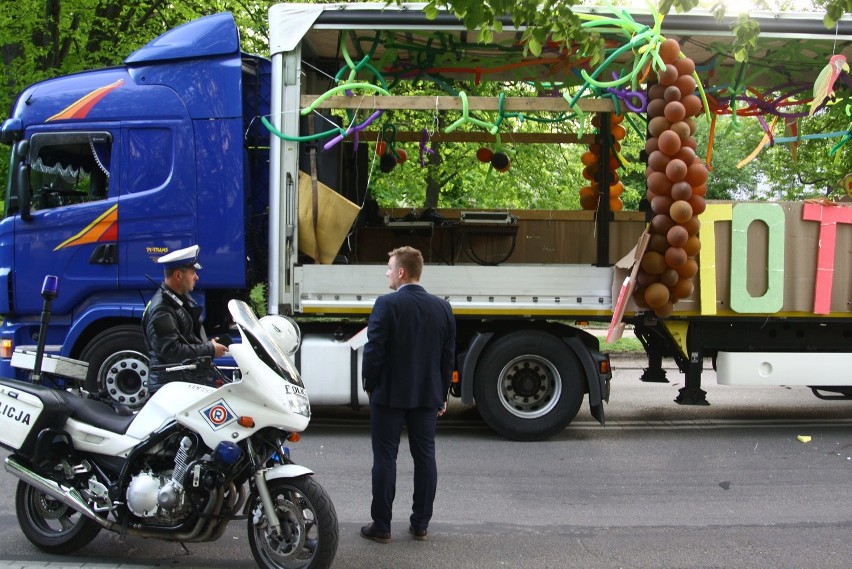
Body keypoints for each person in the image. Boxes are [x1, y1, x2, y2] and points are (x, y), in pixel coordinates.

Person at [360, 246, 456, 544]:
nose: (387, 273)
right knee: (425, 456)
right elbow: (447, 357)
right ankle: (420, 524)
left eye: (390, 268)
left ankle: (382, 526)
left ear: (401, 272)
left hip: (388, 395)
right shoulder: (442, 308)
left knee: (385, 458)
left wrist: (370, 384)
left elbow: (374, 350)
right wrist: (441, 395)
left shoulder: (386, 305)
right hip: (427, 396)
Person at [142, 245, 228, 394]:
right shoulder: (161, 309)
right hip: (170, 388)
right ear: (178, 275)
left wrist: (209, 344)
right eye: (193, 272)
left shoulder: (179, 298)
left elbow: (187, 336)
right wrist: (210, 349)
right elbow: (170, 350)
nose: (197, 277)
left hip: (184, 382)